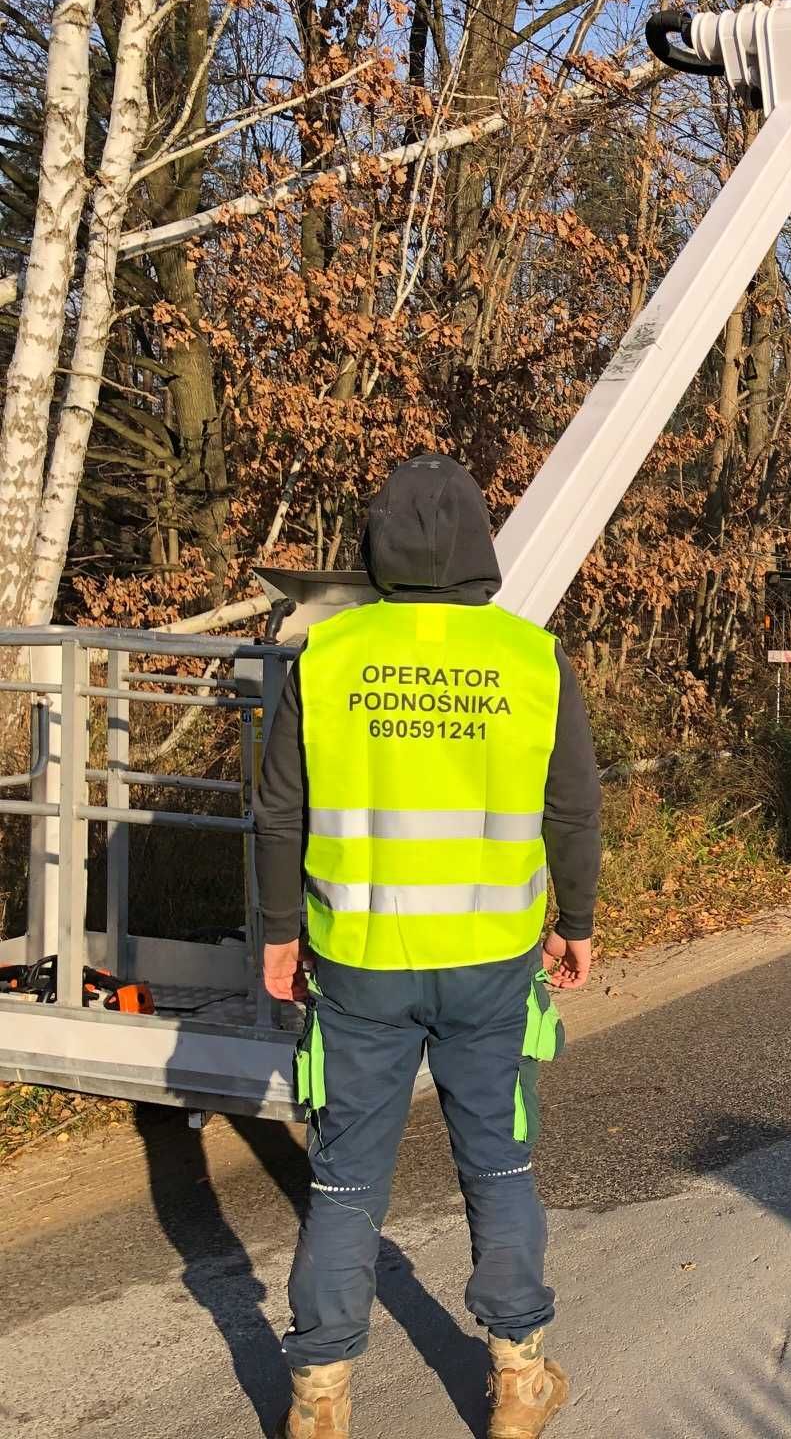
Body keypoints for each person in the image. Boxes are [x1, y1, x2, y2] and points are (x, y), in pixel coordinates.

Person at [253, 455, 602, 1439]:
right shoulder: (529, 657)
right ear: (481, 550)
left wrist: (280, 935)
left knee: (345, 1174)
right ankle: (520, 1376)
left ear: (377, 548)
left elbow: (280, 812)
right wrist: (573, 921)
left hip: (359, 960)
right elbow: (572, 807)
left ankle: (321, 1393)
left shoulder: (326, 654)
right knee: (496, 1163)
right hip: (492, 960)